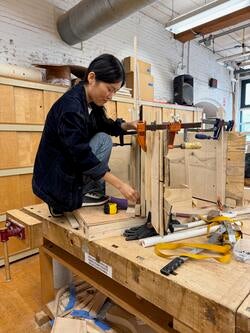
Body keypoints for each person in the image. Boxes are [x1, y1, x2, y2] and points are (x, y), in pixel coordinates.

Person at [32, 54, 140, 217]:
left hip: (65, 167)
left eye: (115, 92)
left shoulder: (89, 104)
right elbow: (80, 154)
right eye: (109, 89)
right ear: (91, 78)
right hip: (55, 178)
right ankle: (59, 201)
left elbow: (105, 124)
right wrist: (121, 185)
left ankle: (86, 193)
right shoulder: (71, 107)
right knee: (100, 142)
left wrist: (128, 125)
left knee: (103, 138)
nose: (111, 96)